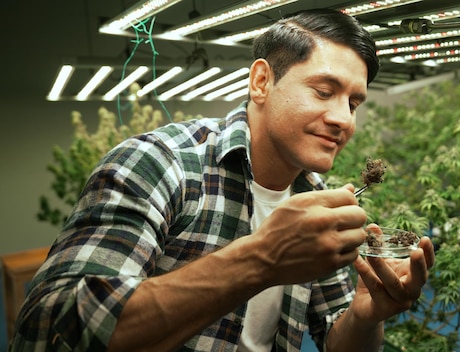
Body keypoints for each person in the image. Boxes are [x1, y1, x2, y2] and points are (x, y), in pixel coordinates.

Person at [11, 8, 435, 352]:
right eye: (324, 92)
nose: (343, 118)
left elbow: (335, 341)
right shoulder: (159, 164)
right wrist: (261, 259)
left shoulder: (315, 199)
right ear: (261, 82)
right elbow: (46, 331)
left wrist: (364, 314)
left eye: (354, 102)